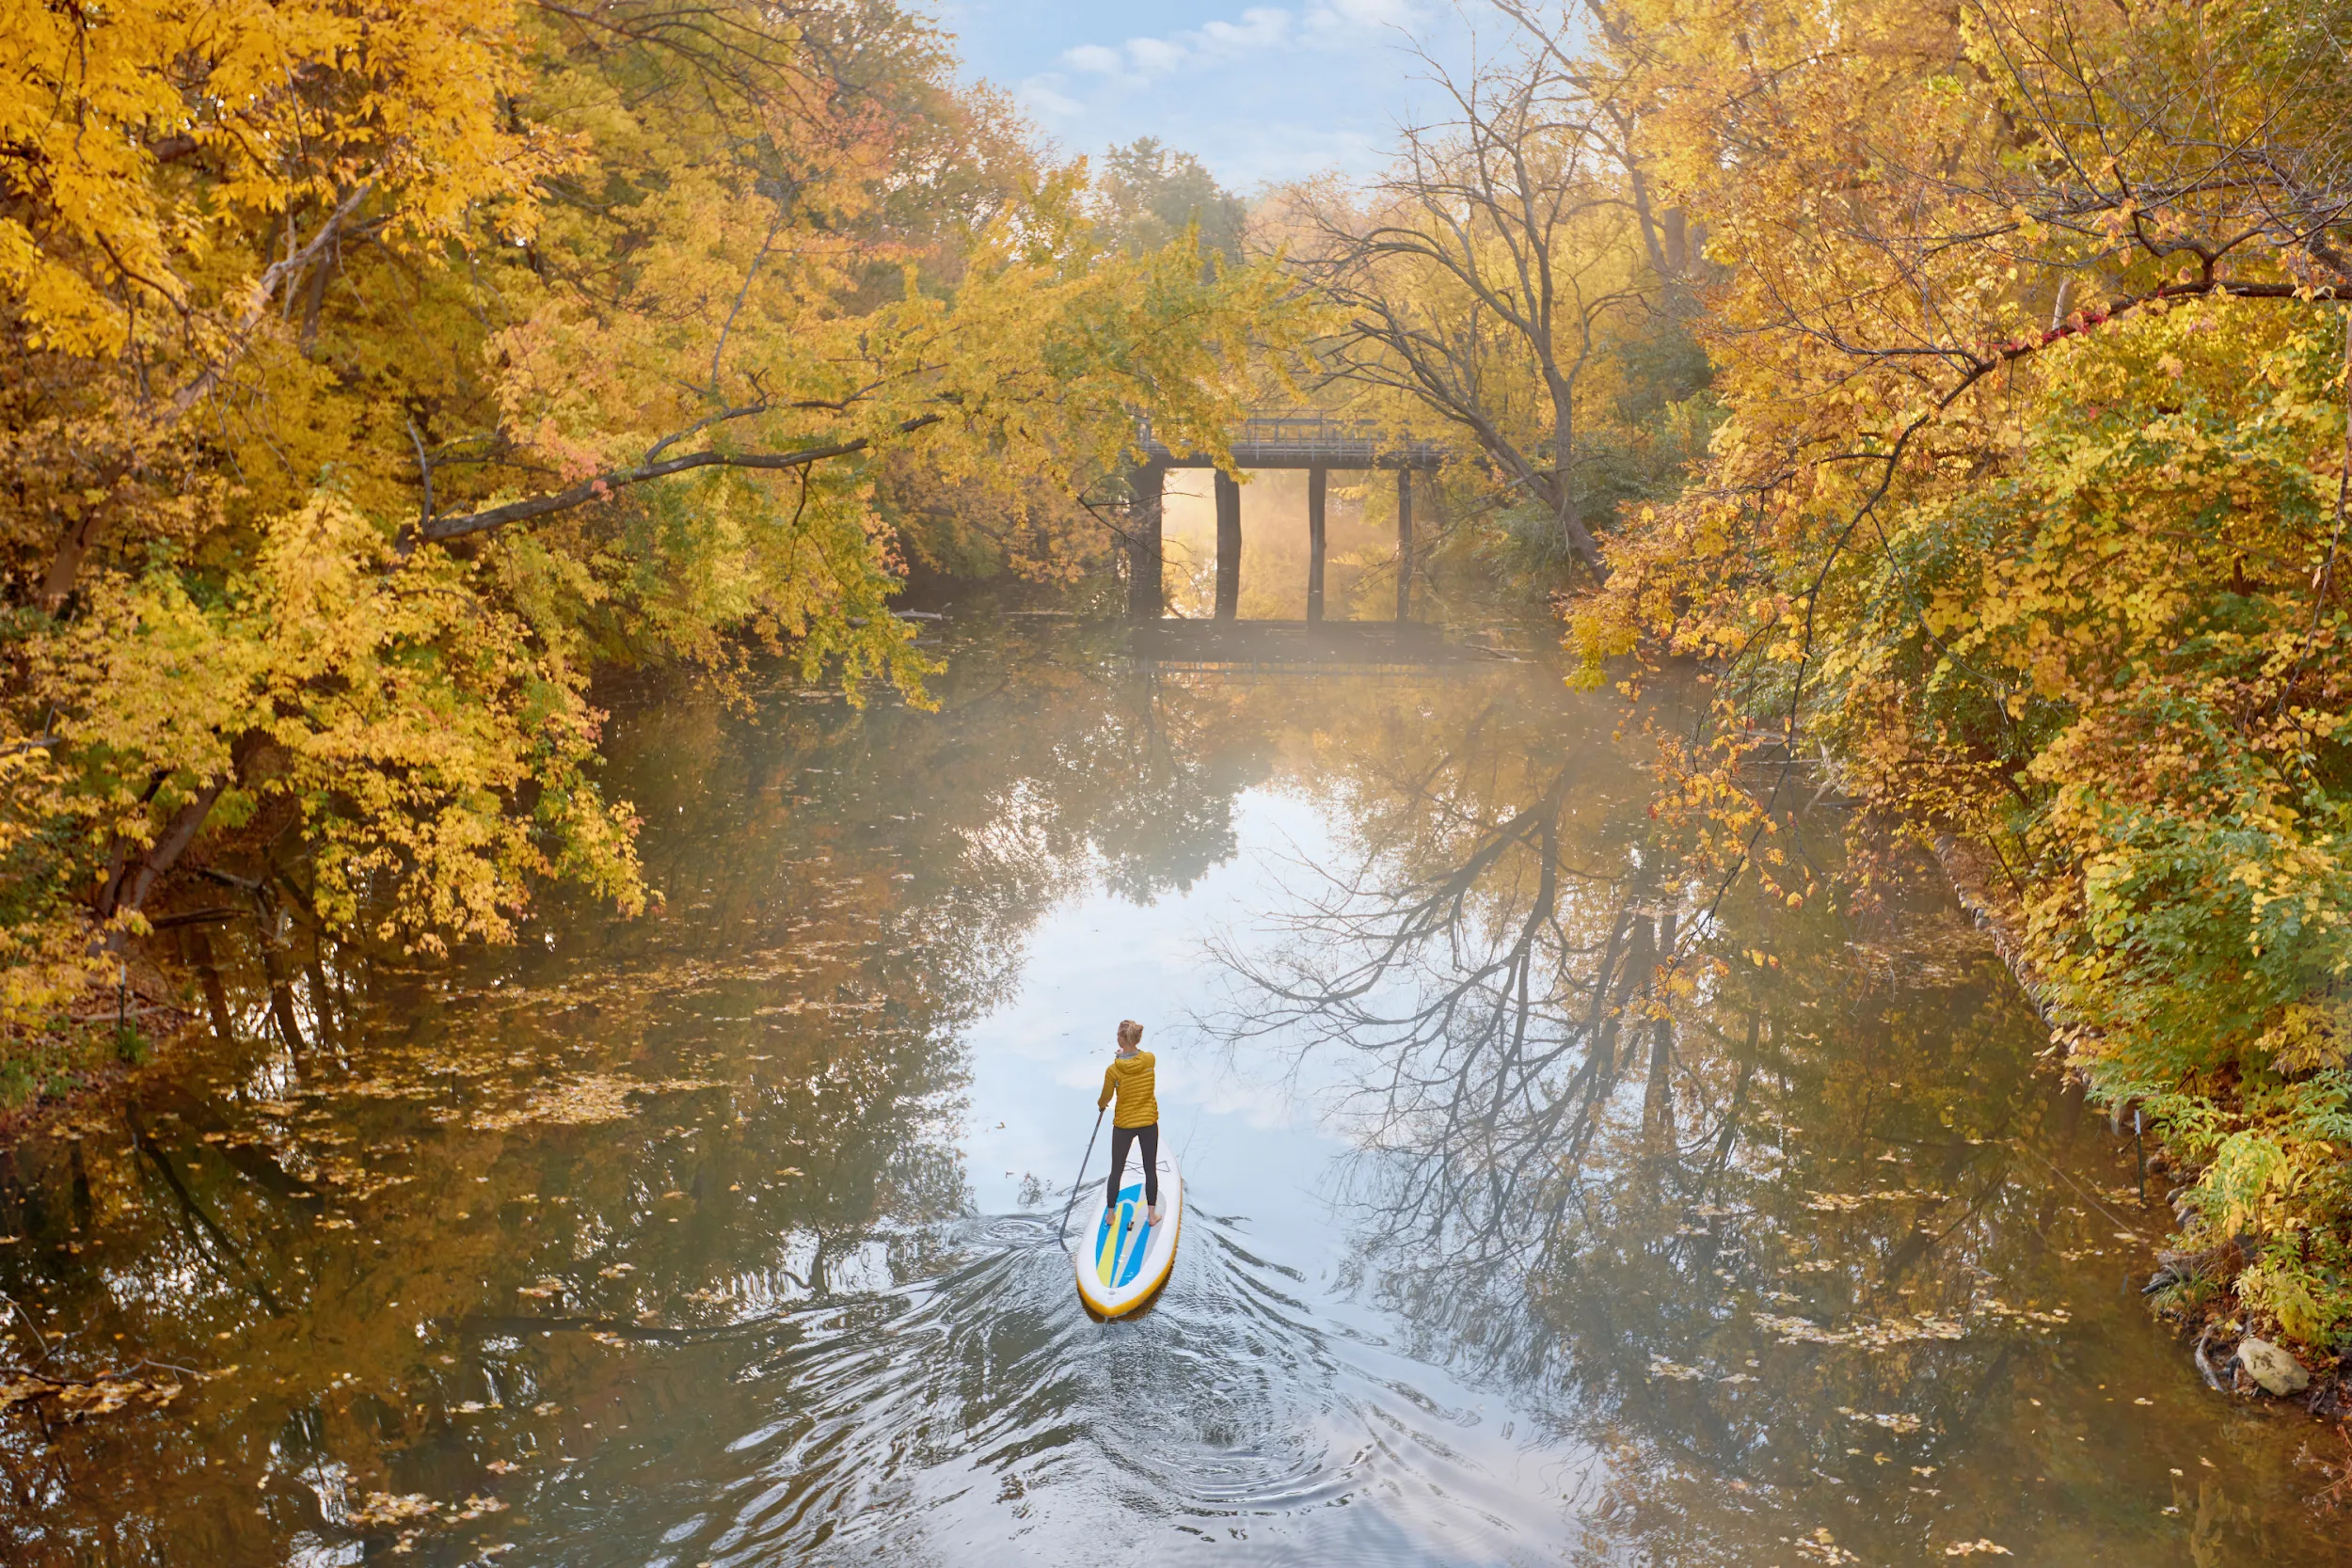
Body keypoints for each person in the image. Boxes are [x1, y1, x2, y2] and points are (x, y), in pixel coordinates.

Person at [1099, 1019, 1160, 1227]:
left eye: (1118, 1035)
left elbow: (1106, 1097)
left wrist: (1101, 1105)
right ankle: (1152, 1216)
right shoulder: (1150, 1060)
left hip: (1124, 1125)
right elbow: (1136, 1062)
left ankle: (1110, 1215)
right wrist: (1125, 1054)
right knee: (1150, 1169)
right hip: (1148, 1122)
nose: (1116, 1038)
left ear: (1122, 1039)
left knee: (1117, 1170)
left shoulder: (1113, 1070)